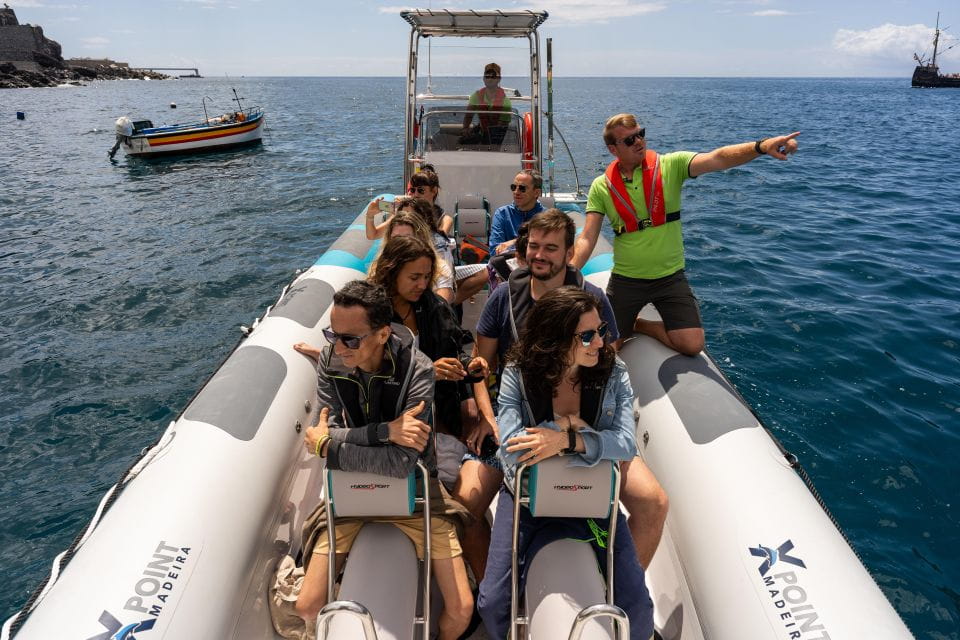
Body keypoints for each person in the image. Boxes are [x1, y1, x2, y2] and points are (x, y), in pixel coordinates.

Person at [472, 208, 667, 570]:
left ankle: (618, 585)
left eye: (550, 248)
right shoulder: (503, 299)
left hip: (585, 425)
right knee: (466, 503)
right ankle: (497, 587)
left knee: (653, 501)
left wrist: (575, 430)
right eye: (533, 246)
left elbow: (604, 367)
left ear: (568, 254)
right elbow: (479, 366)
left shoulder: (593, 302)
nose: (539, 255)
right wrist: (488, 418)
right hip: (516, 421)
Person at [293, 280, 473, 640]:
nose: (338, 347)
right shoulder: (330, 361)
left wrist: (332, 446)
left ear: (382, 334)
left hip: (417, 491)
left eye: (350, 339)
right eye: (332, 334)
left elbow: (402, 462)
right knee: (307, 606)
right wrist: (383, 433)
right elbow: (321, 434)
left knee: (461, 609)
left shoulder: (417, 369)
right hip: (353, 491)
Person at [477, 286, 654, 640]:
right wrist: (566, 424)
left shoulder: (613, 373)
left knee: (638, 610)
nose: (600, 343)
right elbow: (510, 450)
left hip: (594, 501)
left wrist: (564, 440)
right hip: (528, 500)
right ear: (556, 338)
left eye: (601, 331)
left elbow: (625, 444)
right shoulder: (517, 373)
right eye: (587, 335)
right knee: (493, 602)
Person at [572, 112, 800, 356]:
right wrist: (569, 272)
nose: (639, 141)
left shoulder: (671, 165)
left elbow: (718, 158)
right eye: (629, 140)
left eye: (641, 134)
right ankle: (626, 324)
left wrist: (761, 146)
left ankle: (639, 324)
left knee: (692, 345)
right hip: (627, 279)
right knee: (605, 351)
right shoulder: (601, 186)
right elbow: (588, 236)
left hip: (670, 277)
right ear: (612, 149)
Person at [367, 205, 455, 301]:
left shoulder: (439, 269)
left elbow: (443, 304)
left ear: (420, 239)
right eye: (396, 238)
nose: (401, 244)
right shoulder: (380, 267)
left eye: (407, 238)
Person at [488, 170, 544, 255]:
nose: (516, 192)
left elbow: (544, 250)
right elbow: (494, 250)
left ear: (536, 193)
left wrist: (513, 242)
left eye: (522, 188)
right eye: (513, 187)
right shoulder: (502, 214)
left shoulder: (546, 217)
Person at [461, 62, 513, 146]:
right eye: (487, 76)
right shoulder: (476, 96)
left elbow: (500, 131)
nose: (490, 79)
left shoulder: (505, 103)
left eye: (493, 76)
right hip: (481, 135)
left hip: (497, 141)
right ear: (483, 79)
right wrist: (465, 130)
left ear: (499, 79)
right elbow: (468, 117)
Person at [408, 168, 453, 235]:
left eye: (421, 190)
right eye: (412, 190)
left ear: (434, 191)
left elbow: (439, 242)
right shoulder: (405, 214)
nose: (416, 194)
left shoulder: (445, 220)